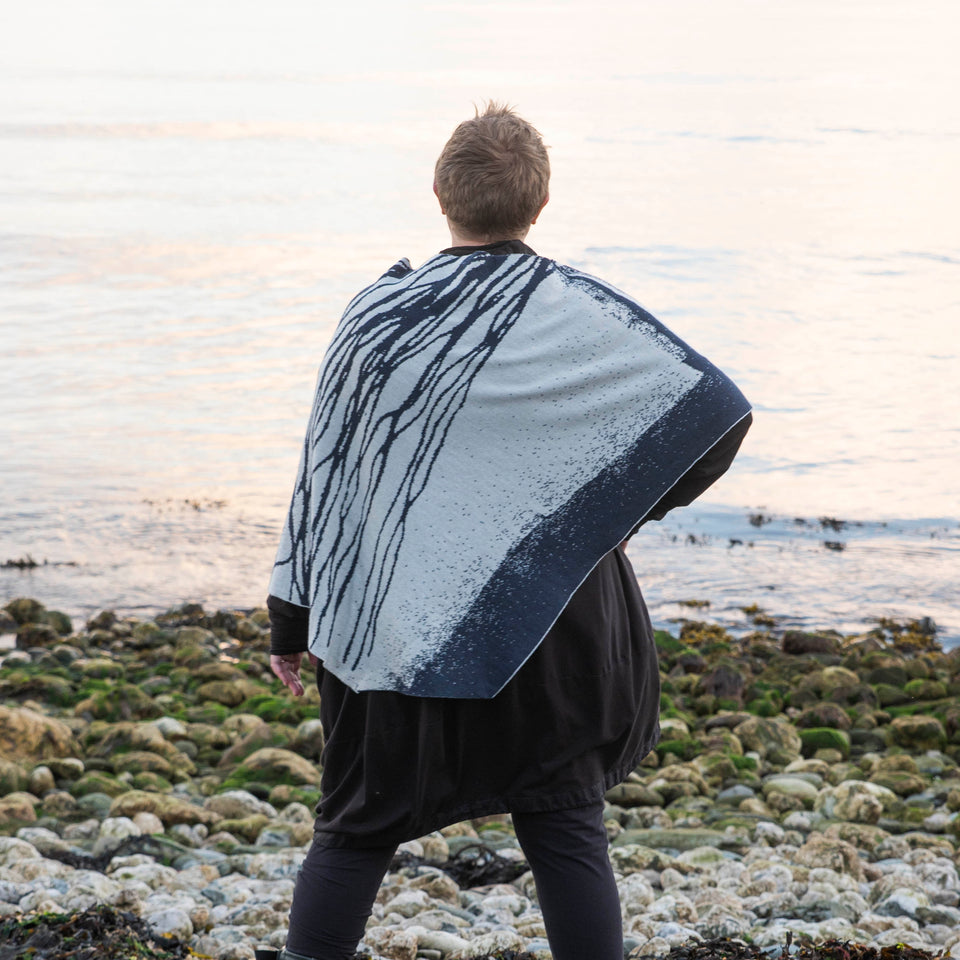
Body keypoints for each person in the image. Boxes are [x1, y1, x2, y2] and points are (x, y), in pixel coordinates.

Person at [266, 102, 752, 960]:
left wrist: (290, 621)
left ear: (440, 193)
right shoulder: (576, 313)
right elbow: (715, 413)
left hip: (392, 630)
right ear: (540, 202)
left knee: (354, 828)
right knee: (565, 826)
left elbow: (323, 477)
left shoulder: (374, 317)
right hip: (547, 626)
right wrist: (599, 516)